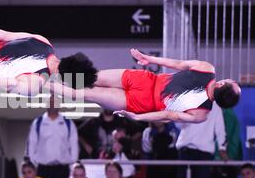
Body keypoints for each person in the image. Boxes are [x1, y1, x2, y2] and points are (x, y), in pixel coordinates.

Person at [49, 49, 241, 123]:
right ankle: (43, 82)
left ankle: (52, 67)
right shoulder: (201, 115)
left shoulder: (207, 69)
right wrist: (138, 117)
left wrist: (150, 59)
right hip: (142, 103)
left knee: (91, 78)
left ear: (223, 83)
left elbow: (176, 64)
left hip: (145, 79)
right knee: (85, 94)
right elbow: (167, 115)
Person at [175, 102, 226, 178]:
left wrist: (222, 148)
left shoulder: (216, 105)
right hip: (185, 150)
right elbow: (178, 123)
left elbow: (220, 128)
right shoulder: (188, 98)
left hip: (204, 153)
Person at [26, 96, 79, 178]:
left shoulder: (68, 123)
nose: (52, 104)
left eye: (54, 102)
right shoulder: (38, 122)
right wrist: (34, 164)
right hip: (43, 169)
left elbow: (74, 144)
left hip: (62, 169)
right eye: (50, 102)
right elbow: (31, 144)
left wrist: (72, 164)